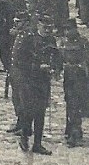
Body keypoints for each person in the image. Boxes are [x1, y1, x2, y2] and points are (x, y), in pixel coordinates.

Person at [12, 15, 59, 155]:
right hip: (29, 80)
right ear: (38, 25)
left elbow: (56, 57)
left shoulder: (51, 40)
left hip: (43, 81)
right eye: (45, 27)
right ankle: (24, 136)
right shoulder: (29, 39)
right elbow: (20, 61)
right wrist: (38, 66)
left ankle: (38, 144)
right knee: (29, 110)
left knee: (41, 112)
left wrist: (55, 68)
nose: (47, 30)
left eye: (50, 28)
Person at [58, 19, 89, 148]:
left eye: (70, 29)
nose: (67, 32)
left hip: (81, 79)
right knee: (70, 102)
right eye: (66, 29)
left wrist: (78, 66)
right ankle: (71, 128)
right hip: (68, 78)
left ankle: (75, 131)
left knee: (76, 104)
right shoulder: (63, 43)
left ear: (75, 29)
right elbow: (58, 58)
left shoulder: (84, 43)